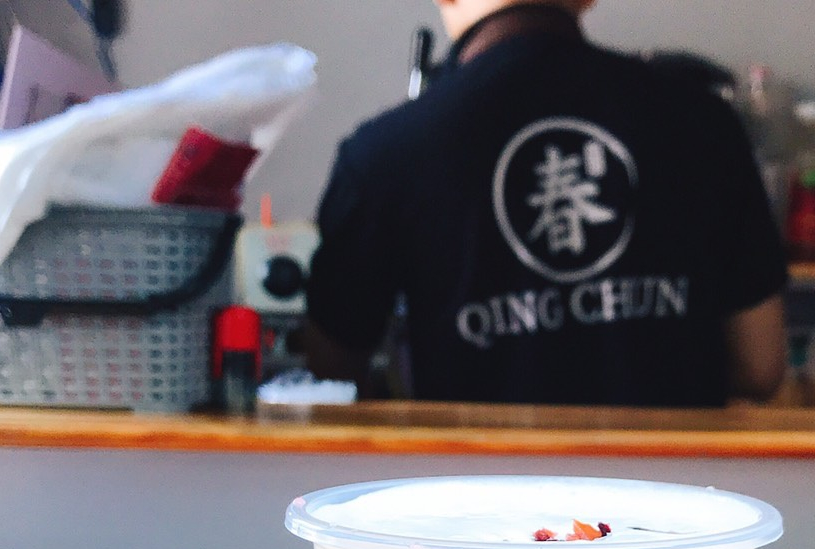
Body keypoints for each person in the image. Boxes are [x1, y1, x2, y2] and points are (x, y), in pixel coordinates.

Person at [303, 0, 787, 406]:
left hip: (473, 487)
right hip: (672, 488)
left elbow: (331, 369)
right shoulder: (704, 125)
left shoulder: (385, 151)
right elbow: (760, 368)